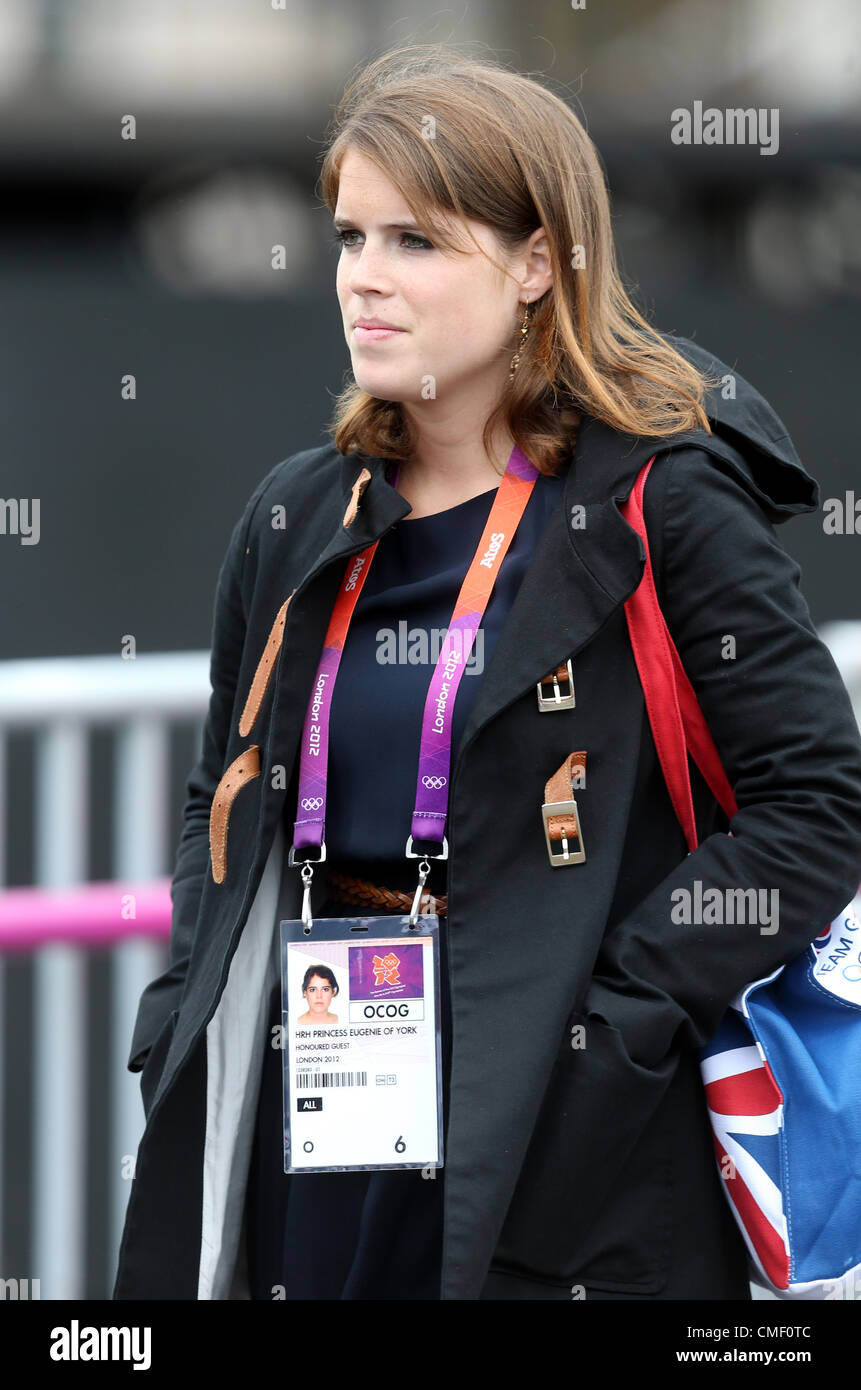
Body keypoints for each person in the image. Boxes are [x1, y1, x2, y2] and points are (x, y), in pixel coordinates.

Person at [114, 43, 861, 1302]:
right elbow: (221, 793)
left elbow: (819, 805)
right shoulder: (297, 514)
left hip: (572, 1144)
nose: (364, 280)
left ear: (535, 265)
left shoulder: (663, 500)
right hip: (326, 1104)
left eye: (417, 241)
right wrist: (188, 1002)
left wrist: (620, 1020)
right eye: (351, 238)